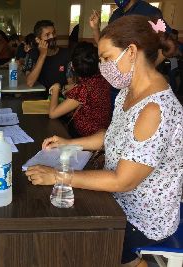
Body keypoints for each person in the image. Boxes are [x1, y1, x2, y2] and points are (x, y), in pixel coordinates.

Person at [26, 15, 182, 267]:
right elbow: (111, 136)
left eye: (107, 58)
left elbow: (123, 181)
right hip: (118, 200)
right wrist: (69, 143)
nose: (102, 66)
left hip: (142, 216)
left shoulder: (154, 109)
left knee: (84, 240)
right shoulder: (128, 93)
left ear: (131, 51)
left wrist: (58, 176)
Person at [89, 0, 168, 111]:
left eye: (106, 59)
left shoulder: (147, 11)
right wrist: (95, 29)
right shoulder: (116, 14)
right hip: (121, 88)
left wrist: (143, 70)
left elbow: (167, 45)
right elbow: (107, 49)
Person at [48, 42, 111, 137]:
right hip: (102, 131)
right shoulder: (103, 78)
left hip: (85, 137)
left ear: (72, 66)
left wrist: (56, 89)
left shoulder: (83, 90)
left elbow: (53, 114)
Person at [25, 20, 68, 93]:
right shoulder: (32, 54)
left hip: (60, 99)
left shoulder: (66, 53)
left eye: (53, 33)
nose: (52, 37)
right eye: (47, 35)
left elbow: (71, 83)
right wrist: (42, 55)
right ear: (38, 40)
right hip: (38, 99)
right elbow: (30, 83)